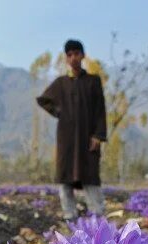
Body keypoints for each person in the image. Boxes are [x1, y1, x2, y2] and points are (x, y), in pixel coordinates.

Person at [37, 39, 107, 220]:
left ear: (83, 55)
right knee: (65, 177)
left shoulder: (93, 81)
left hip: (88, 138)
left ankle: (97, 216)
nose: (73, 57)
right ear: (66, 58)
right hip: (66, 139)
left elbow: (100, 110)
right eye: (69, 55)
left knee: (90, 175)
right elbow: (43, 100)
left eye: (77, 53)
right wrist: (58, 111)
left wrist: (98, 136)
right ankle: (70, 217)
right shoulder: (61, 83)